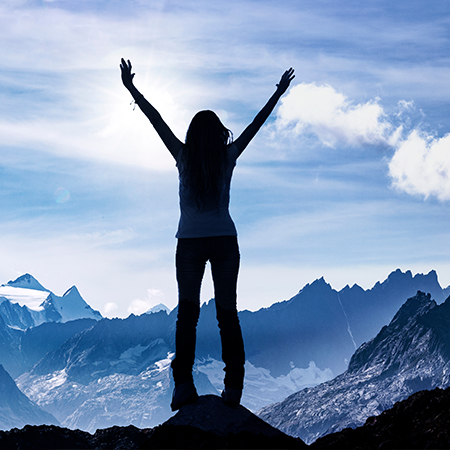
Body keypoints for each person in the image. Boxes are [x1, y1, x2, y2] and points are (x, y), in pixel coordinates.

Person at [120, 59, 294, 411]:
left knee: (188, 314)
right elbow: (255, 126)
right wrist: (277, 93)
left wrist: (131, 88)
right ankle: (233, 388)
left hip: (188, 244)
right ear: (217, 134)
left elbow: (156, 120)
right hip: (225, 242)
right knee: (227, 314)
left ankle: (183, 385)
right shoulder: (227, 157)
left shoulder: (182, 156)